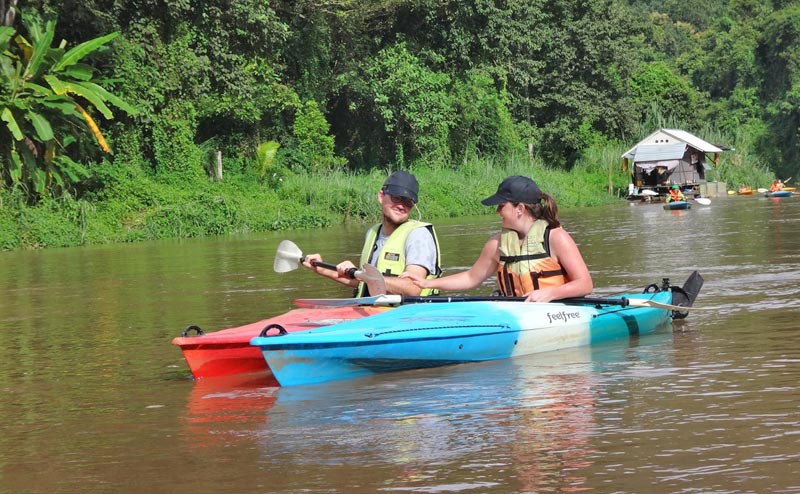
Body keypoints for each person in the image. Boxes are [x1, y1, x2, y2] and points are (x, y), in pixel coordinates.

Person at [400, 176, 593, 303]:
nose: (497, 211)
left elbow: (585, 283)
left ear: (520, 209)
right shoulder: (496, 244)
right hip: (514, 314)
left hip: (557, 312)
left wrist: (549, 293)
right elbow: (470, 278)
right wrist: (426, 283)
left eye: (501, 206)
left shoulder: (556, 236)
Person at [302, 170, 442, 297]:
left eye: (408, 202)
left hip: (409, 317)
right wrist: (321, 268)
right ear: (381, 196)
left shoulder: (418, 235)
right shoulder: (372, 233)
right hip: (377, 312)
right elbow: (364, 283)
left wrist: (364, 276)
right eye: (396, 198)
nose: (401, 205)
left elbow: (414, 287)